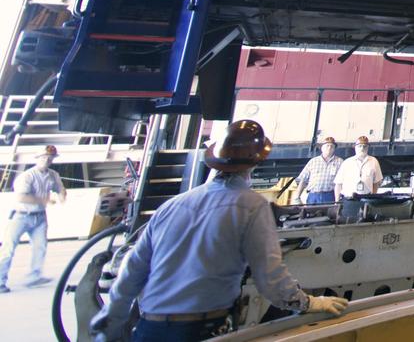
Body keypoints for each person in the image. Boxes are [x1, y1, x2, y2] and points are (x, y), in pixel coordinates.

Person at [89, 120, 348, 341]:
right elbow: (270, 277)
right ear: (255, 163)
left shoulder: (172, 206)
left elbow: (132, 270)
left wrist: (110, 324)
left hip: (148, 328)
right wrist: (308, 303)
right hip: (200, 330)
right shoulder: (251, 206)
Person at [0, 144, 66, 293]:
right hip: (21, 216)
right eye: (44, 157)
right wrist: (44, 201)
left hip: (40, 217)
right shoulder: (27, 176)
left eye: (50, 158)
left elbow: (60, 188)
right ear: (37, 158)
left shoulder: (53, 175)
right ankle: (0, 281)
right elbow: (22, 197)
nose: (47, 160)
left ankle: (34, 276)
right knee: (8, 249)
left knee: (40, 247)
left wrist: (62, 195)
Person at [295, 136, 343, 204]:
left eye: (332, 146)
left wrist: (337, 200)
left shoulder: (340, 162)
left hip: (330, 196)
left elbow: (341, 183)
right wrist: (297, 197)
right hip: (313, 196)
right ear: (322, 148)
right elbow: (303, 180)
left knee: (330, 214)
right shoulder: (313, 161)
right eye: (327, 146)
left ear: (334, 149)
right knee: (311, 214)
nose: (329, 148)